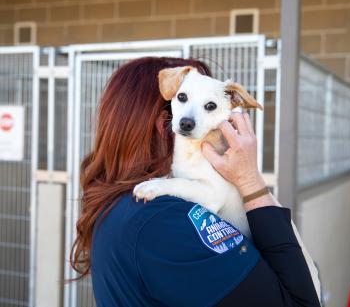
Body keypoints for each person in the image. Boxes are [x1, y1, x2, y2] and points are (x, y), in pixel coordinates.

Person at [70, 57, 321, 307]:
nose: (191, 118)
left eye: (209, 107)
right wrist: (250, 181)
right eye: (181, 98)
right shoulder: (161, 219)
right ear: (162, 123)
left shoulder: (118, 206)